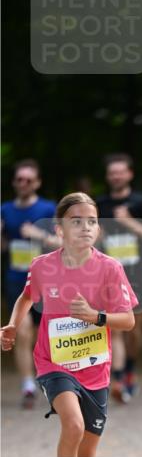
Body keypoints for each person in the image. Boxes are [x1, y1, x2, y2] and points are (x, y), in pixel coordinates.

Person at [0, 192, 137, 457]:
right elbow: (27, 298)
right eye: (77, 221)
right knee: (72, 424)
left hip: (94, 368)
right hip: (54, 362)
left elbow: (128, 320)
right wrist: (13, 324)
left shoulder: (110, 268)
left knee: (88, 451)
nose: (86, 227)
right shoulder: (43, 266)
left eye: (92, 221)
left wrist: (96, 316)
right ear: (59, 229)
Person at [96, 153, 142, 401]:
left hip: (138, 274)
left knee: (134, 329)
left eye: (120, 172)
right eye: (112, 173)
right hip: (108, 275)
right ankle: (118, 378)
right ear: (107, 176)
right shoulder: (100, 204)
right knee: (115, 328)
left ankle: (130, 369)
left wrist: (130, 222)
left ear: (130, 174)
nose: (116, 176)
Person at [1, 159, 57, 408]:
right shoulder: (4, 210)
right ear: (14, 182)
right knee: (22, 332)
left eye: (28, 180)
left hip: (47, 281)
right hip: (16, 280)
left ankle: (52, 380)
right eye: (19, 179)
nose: (23, 183)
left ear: (37, 183)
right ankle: (27, 386)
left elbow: (64, 243)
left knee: (44, 335)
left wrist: (39, 235)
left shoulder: (48, 208)